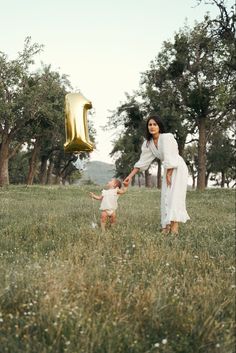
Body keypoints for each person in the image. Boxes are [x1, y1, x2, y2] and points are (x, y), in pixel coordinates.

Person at [124, 115, 190, 234]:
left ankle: (175, 229)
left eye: (155, 124)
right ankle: (166, 227)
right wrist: (130, 176)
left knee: (174, 197)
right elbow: (142, 162)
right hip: (168, 169)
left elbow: (171, 155)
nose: (152, 127)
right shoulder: (148, 143)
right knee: (165, 195)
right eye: (150, 124)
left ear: (159, 126)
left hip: (177, 168)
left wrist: (169, 173)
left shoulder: (166, 138)